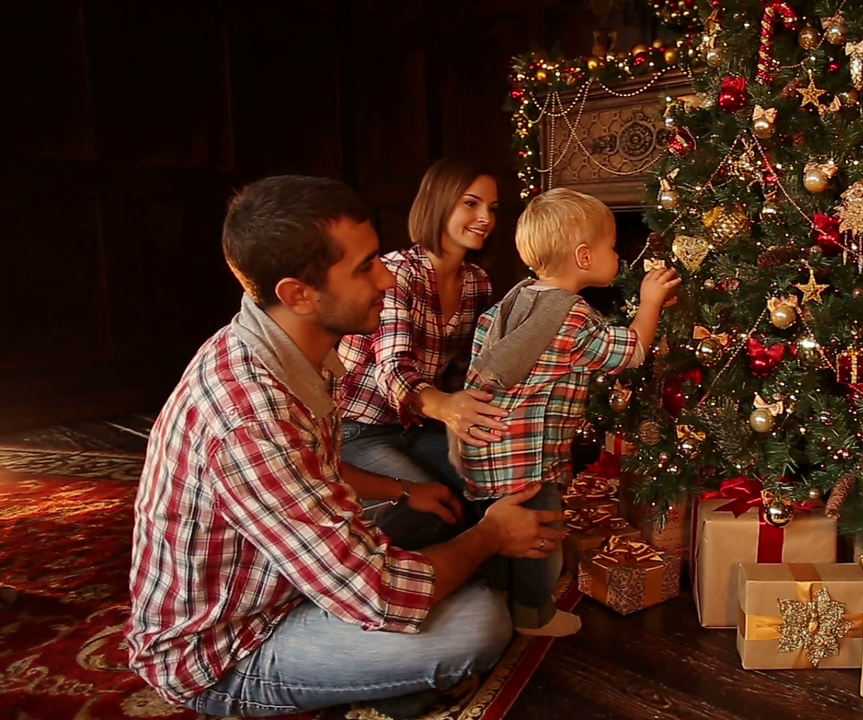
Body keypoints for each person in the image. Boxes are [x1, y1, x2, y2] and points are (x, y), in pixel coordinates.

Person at [125, 175, 565, 718]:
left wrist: (404, 491)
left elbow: (318, 466)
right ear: (298, 294)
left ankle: (380, 672)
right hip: (226, 651)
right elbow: (383, 593)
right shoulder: (248, 417)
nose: (385, 278)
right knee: (479, 623)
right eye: (364, 267)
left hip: (280, 581)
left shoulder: (290, 345)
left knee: (434, 514)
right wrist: (492, 534)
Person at [460, 187, 680, 637]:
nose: (616, 254)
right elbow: (631, 351)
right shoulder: (572, 317)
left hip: (486, 449)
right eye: (612, 246)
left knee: (506, 534)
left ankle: (503, 599)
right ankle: (534, 615)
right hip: (527, 456)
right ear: (584, 256)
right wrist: (651, 302)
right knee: (543, 537)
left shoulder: (515, 300)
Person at [337, 158, 508, 541]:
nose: (485, 217)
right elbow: (392, 369)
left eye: (492, 208)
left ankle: (502, 589)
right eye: (471, 203)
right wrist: (447, 408)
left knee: (491, 488)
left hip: (419, 426)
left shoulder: (477, 282)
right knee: (435, 510)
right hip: (359, 429)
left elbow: (474, 365)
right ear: (439, 203)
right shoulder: (397, 272)